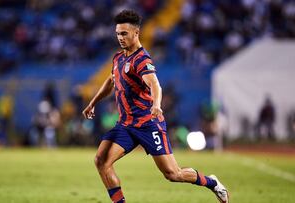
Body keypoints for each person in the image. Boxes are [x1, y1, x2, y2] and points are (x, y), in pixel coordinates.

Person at [82, 10, 229, 203]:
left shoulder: (142, 60)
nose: (120, 37)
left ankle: (212, 183)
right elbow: (111, 80)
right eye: (118, 33)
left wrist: (156, 105)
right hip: (125, 125)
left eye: (124, 33)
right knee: (101, 161)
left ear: (136, 33)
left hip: (148, 124)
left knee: (173, 174)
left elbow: (154, 84)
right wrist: (92, 103)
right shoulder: (118, 58)